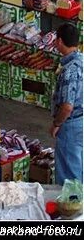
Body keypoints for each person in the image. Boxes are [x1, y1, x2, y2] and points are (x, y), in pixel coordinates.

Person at [50, 23, 83, 185]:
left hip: (72, 124)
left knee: (68, 173)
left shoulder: (70, 70)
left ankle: (71, 206)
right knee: (78, 163)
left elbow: (67, 106)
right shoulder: (82, 60)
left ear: (60, 41)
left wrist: (57, 123)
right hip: (81, 121)